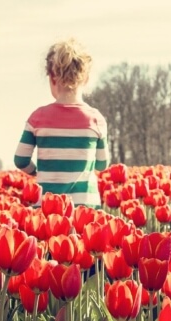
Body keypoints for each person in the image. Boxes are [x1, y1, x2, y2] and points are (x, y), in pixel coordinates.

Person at [14, 38, 110, 209]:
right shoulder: (95, 119)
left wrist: (37, 172)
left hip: (47, 206)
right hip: (85, 207)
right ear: (86, 78)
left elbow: (20, 160)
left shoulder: (38, 118)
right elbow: (103, 164)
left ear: (52, 78)